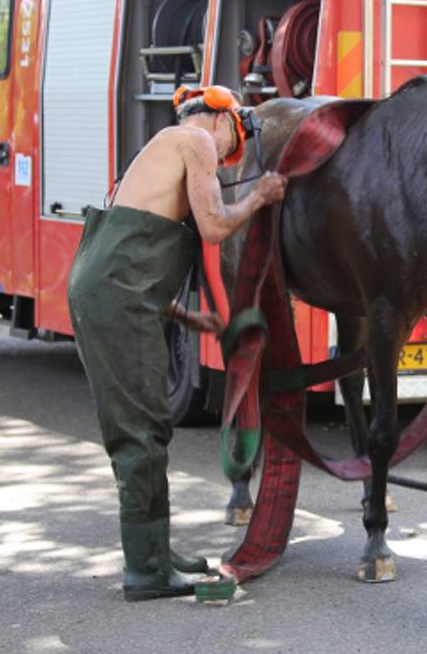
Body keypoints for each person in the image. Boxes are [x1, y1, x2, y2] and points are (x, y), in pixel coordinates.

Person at [67, 85, 286, 601]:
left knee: (147, 424)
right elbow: (212, 227)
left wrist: (187, 316)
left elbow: (131, 250)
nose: (232, 151)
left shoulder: (161, 146)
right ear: (222, 117)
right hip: (116, 299)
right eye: (237, 132)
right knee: (139, 430)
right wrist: (259, 195)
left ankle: (157, 551)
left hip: (112, 294)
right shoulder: (196, 140)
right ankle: (146, 570)